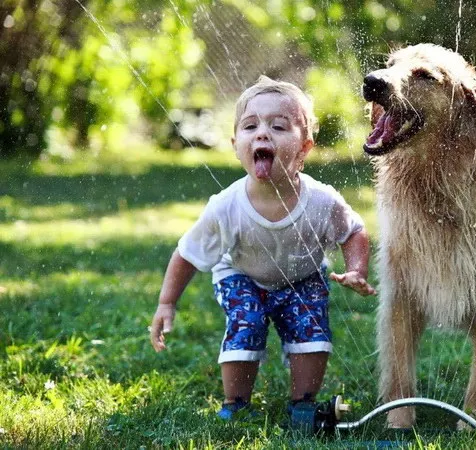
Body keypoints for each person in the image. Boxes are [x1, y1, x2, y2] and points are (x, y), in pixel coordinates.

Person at [149, 75, 376, 420]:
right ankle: (236, 404)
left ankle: (302, 404)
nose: (262, 133)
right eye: (250, 125)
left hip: (303, 276)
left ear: (304, 148)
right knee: (247, 321)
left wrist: (357, 269)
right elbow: (187, 253)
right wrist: (167, 303)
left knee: (312, 330)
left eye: (279, 126)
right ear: (236, 144)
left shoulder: (321, 200)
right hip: (241, 275)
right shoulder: (225, 206)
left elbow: (353, 231)